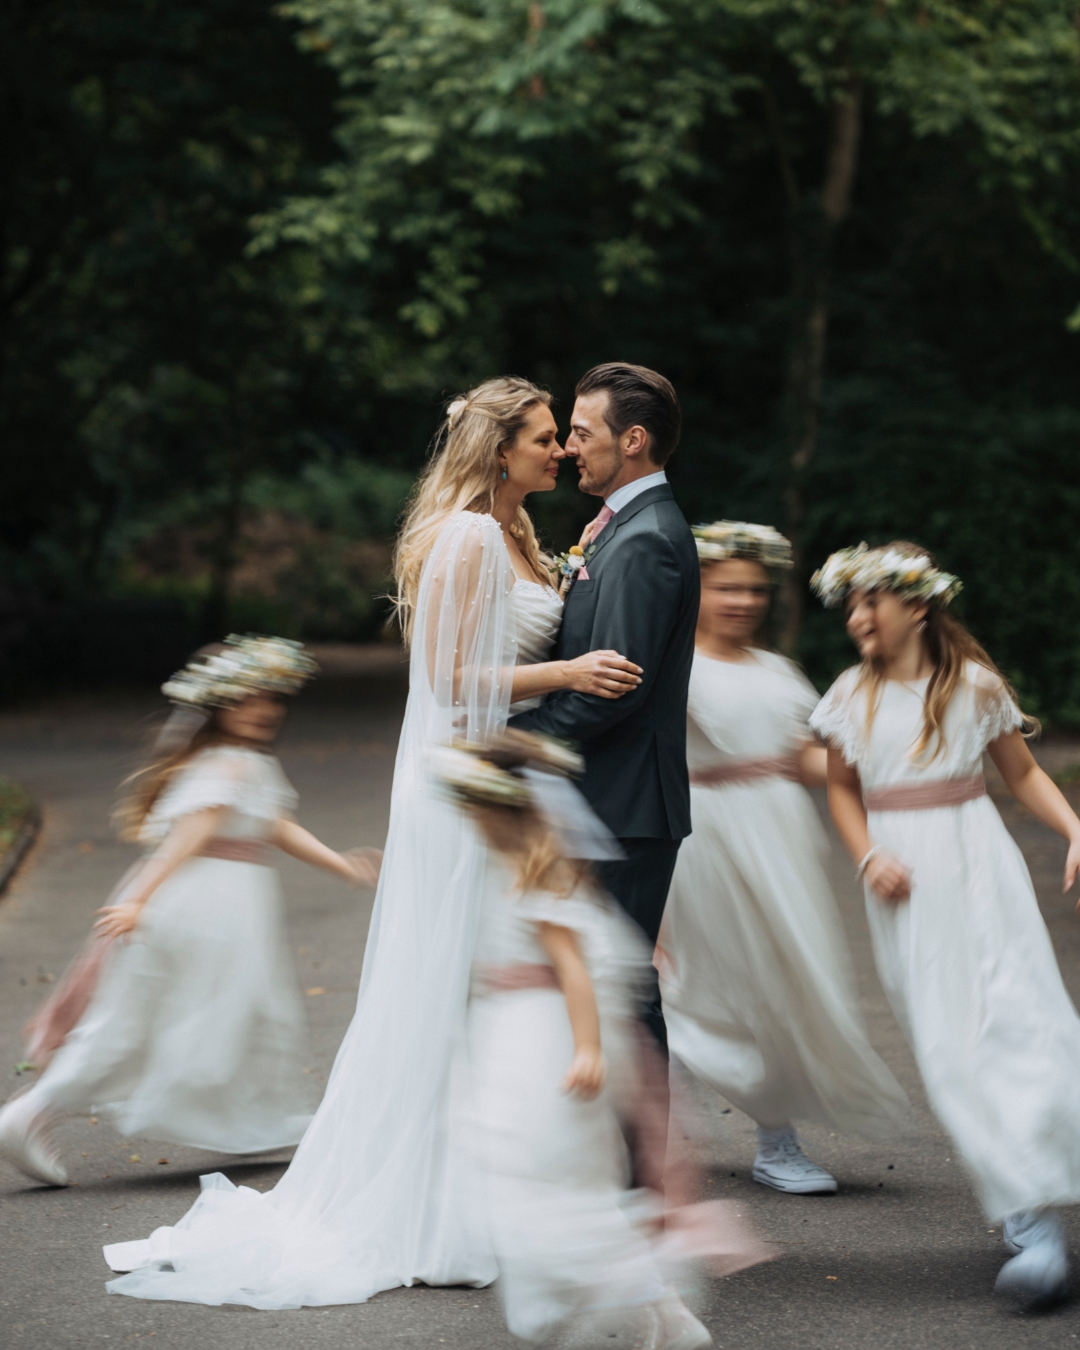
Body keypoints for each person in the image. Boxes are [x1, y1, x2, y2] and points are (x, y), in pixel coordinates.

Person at [101, 376, 642, 1309]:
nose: (559, 450)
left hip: (500, 784)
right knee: (454, 977)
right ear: (497, 449)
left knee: (484, 975)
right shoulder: (468, 536)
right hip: (463, 784)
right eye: (544, 436)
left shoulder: (514, 533)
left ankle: (502, 1187)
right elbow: (447, 675)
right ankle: (438, 1203)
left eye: (561, 436)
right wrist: (571, 669)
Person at [809, 540, 1080, 1309]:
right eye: (852, 604)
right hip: (904, 885)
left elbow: (1020, 771)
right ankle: (1029, 1205)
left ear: (918, 605)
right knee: (953, 1045)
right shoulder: (847, 695)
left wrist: (1075, 830)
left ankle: (1036, 1225)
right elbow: (839, 792)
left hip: (979, 866)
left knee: (1021, 1015)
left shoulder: (973, 686)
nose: (858, 617)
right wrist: (868, 858)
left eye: (873, 601)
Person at [0, 637, 377, 1187]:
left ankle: (256, 1122)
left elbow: (272, 825)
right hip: (203, 907)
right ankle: (31, 1113)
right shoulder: (229, 764)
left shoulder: (237, 761)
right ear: (219, 705)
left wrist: (340, 866)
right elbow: (190, 833)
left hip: (218, 905)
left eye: (271, 699)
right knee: (154, 1021)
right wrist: (138, 899)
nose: (264, 710)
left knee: (193, 1016)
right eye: (247, 699)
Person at [657, 523, 909, 1197]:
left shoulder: (779, 671)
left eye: (755, 589)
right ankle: (668, 1114)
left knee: (785, 981)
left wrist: (898, 767)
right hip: (705, 835)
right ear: (697, 588)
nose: (742, 601)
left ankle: (776, 1140)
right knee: (709, 979)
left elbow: (803, 758)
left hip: (782, 836)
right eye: (726, 587)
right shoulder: (670, 662)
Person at [511, 363, 699, 1052]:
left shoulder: (646, 540)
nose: (566, 448)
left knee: (619, 987)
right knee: (595, 978)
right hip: (606, 794)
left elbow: (614, 690)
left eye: (583, 433)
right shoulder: (621, 528)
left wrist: (515, 744)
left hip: (625, 800)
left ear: (634, 441)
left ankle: (644, 1165)